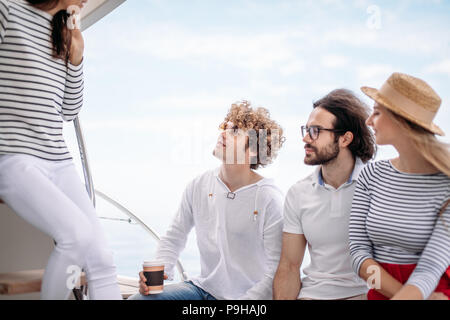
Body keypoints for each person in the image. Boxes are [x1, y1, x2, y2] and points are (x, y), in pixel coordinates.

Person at [0, 0, 122, 299]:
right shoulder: (8, 10)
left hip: (58, 159)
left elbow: (69, 109)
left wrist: (77, 58)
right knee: (76, 236)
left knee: (103, 260)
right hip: (14, 155)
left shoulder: (64, 35)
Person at [129, 101, 285, 300]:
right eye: (225, 127)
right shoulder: (199, 185)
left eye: (235, 130)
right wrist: (161, 270)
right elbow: (174, 237)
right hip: (202, 289)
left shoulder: (269, 199)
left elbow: (276, 271)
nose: (223, 133)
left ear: (254, 148)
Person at [349, 72, 450, 300]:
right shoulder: (371, 175)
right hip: (388, 294)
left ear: (401, 120)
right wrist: (396, 294)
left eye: (376, 112)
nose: (368, 121)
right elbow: (358, 255)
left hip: (433, 292)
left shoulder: (446, 187)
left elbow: (431, 267)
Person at [273, 89, 375, 300]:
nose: (305, 138)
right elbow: (290, 267)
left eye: (316, 131)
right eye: (307, 129)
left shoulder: (376, 185)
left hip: (364, 294)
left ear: (345, 139)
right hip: (313, 294)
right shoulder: (298, 193)